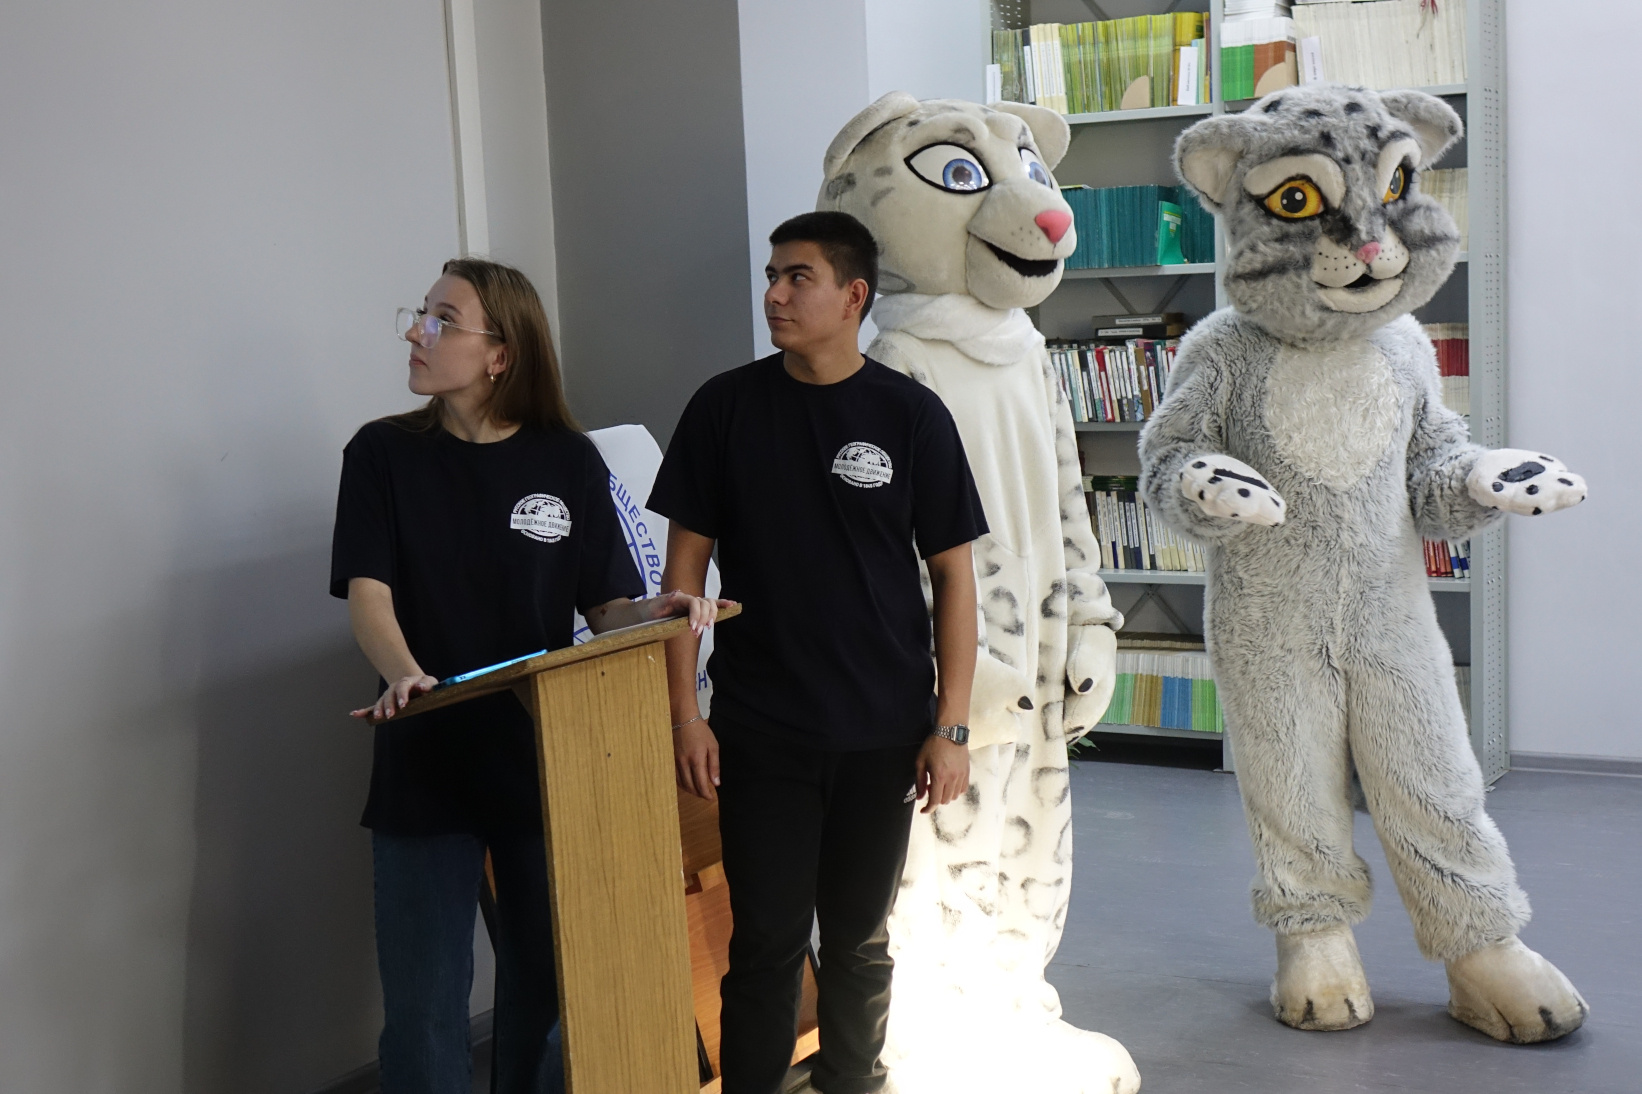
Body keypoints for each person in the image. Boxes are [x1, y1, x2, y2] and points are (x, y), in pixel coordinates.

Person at [330, 258, 724, 1094]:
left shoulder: (567, 462)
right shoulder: (381, 455)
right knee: (424, 1015)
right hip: (424, 767)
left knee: (546, 1000)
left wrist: (663, 609)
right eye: (421, 314)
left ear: (500, 353)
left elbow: (607, 610)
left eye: (442, 320)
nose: (416, 332)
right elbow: (369, 595)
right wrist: (404, 675)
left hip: (546, 766)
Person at [648, 212, 986, 1094]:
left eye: (798, 277)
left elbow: (955, 578)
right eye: (773, 275)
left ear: (853, 296)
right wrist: (685, 716)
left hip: (884, 729)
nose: (775, 294)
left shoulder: (911, 415)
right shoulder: (723, 408)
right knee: (765, 943)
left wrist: (950, 726)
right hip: (761, 729)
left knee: (861, 941)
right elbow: (682, 579)